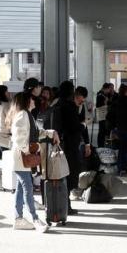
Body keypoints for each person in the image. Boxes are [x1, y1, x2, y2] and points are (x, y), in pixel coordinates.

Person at [7, 92, 58, 232]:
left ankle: (19, 218)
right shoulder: (23, 115)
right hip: (22, 158)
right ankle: (35, 219)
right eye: (31, 100)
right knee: (27, 188)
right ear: (26, 101)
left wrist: (49, 132)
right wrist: (28, 151)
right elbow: (20, 137)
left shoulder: (24, 115)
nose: (34, 102)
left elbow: (33, 132)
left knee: (21, 188)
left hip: (21, 158)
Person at [56, 82, 92, 210]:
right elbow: (77, 127)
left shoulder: (58, 104)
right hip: (68, 144)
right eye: (79, 101)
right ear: (73, 94)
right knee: (69, 172)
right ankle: (66, 204)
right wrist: (83, 124)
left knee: (64, 173)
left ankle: (64, 203)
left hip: (61, 143)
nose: (80, 104)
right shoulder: (69, 107)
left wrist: (87, 143)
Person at [94, 83, 114, 148]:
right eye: (109, 89)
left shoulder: (107, 95)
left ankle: (104, 145)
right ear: (106, 88)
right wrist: (105, 102)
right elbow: (98, 105)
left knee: (106, 131)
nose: (110, 90)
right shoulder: (100, 95)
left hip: (106, 116)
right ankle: (100, 146)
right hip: (102, 115)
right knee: (102, 131)